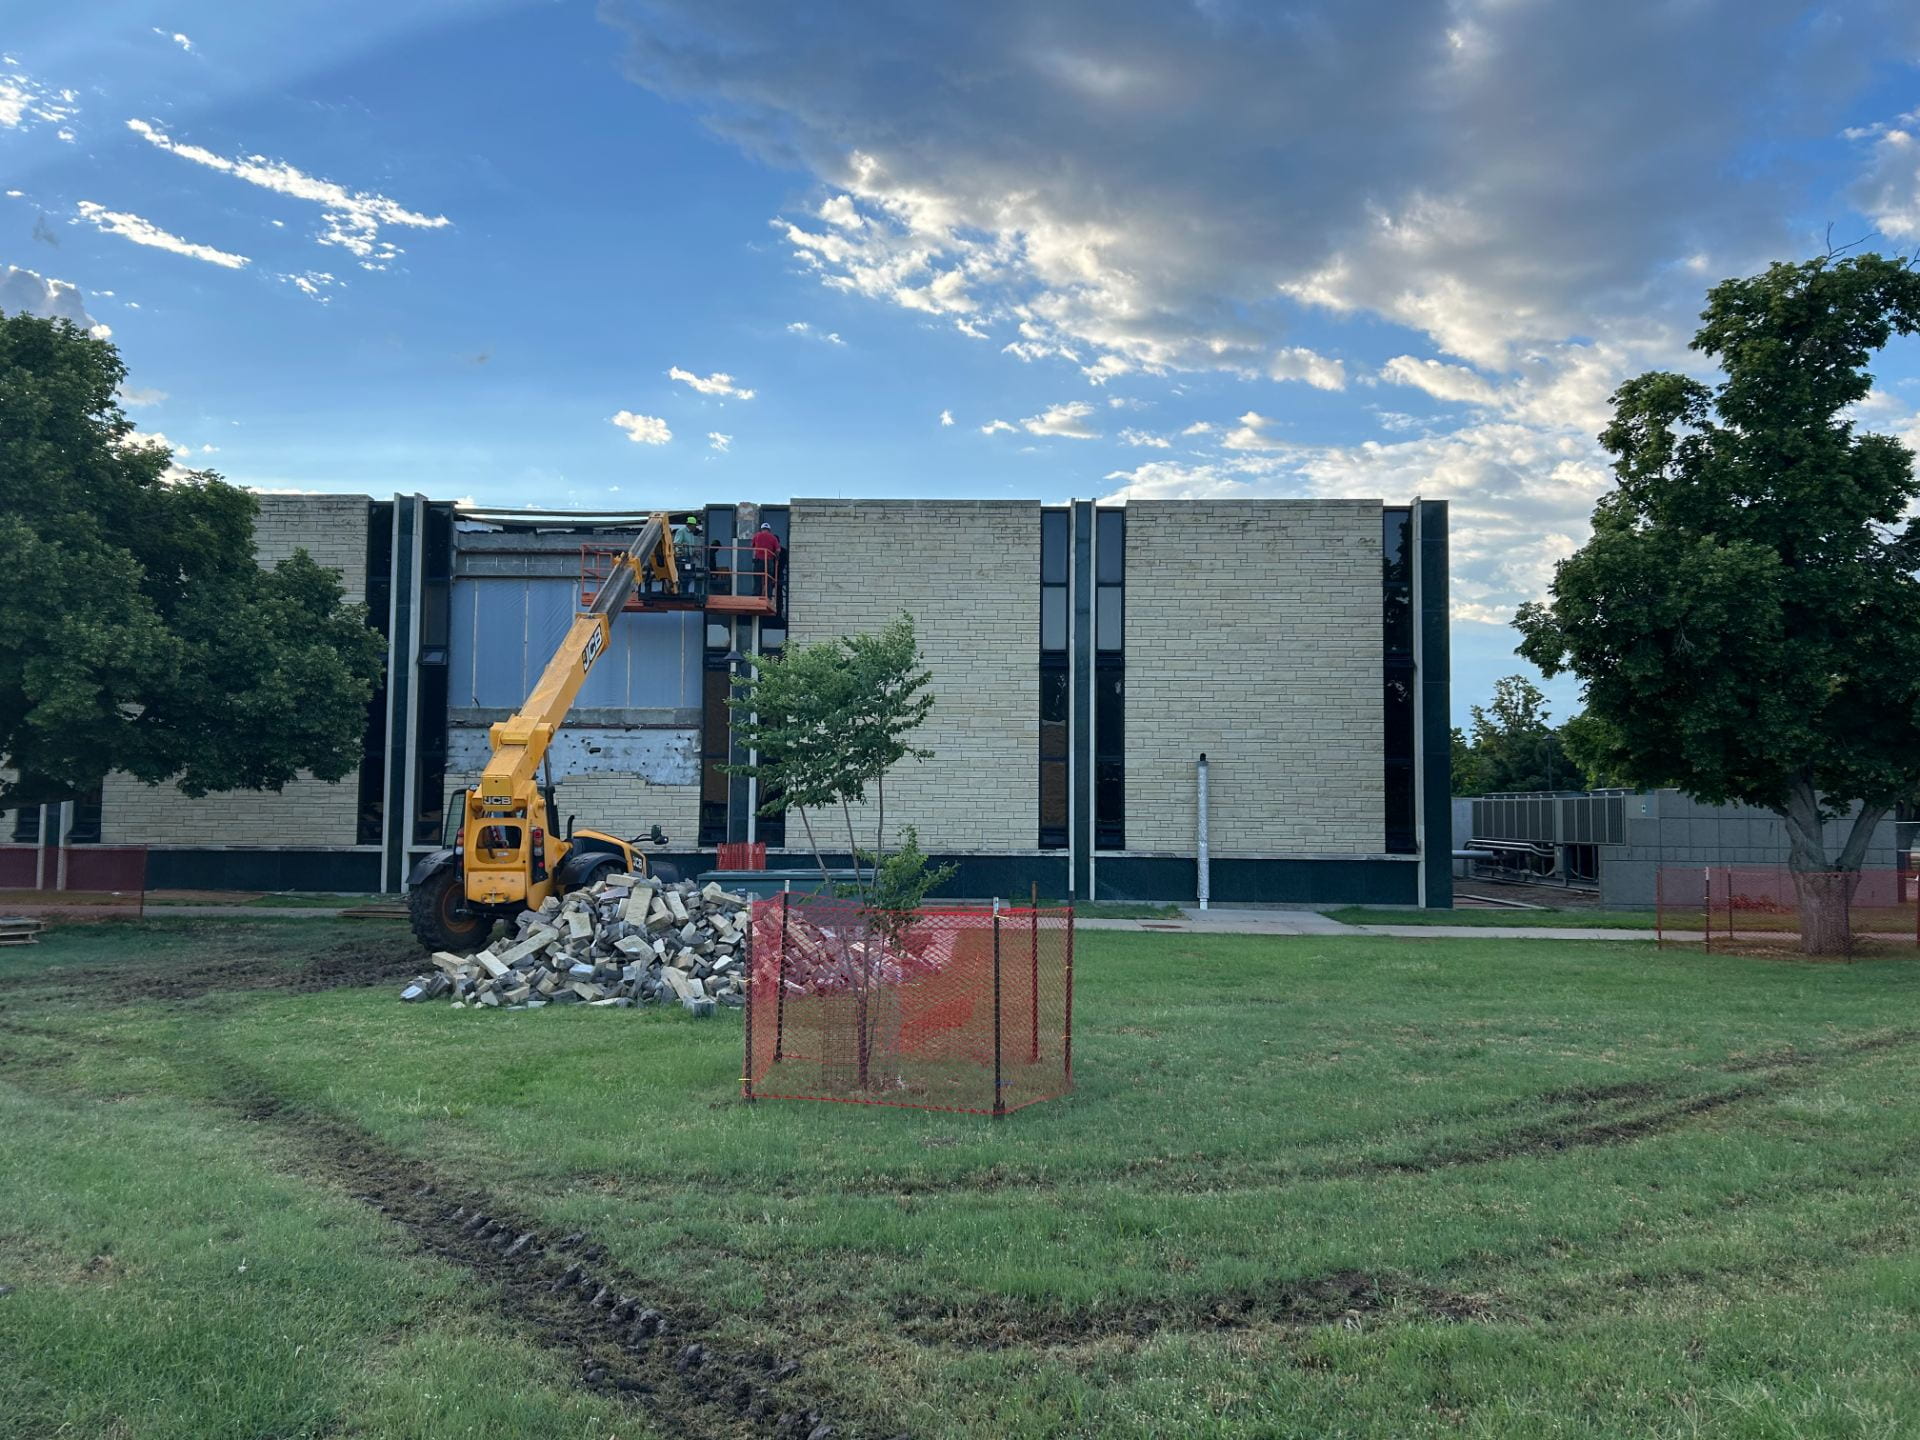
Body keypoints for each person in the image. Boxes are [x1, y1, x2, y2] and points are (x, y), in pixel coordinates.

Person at [671, 514, 701, 595]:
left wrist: (694, 552)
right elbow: (676, 543)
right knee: (684, 576)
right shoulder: (681, 531)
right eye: (694, 525)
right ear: (690, 525)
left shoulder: (691, 534)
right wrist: (680, 553)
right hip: (683, 557)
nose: (695, 527)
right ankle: (682, 592)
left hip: (689, 557)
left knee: (689, 575)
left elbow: (690, 545)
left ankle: (685, 592)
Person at [751, 521, 782, 599]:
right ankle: (768, 595)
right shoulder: (773, 538)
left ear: (762, 529)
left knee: (757, 578)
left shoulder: (757, 535)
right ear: (769, 530)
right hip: (768, 561)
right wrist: (776, 557)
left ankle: (756, 593)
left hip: (758, 561)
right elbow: (778, 550)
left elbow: (752, 546)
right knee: (768, 578)